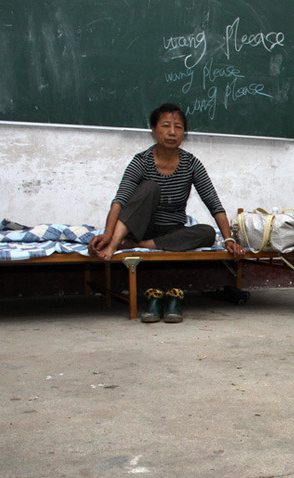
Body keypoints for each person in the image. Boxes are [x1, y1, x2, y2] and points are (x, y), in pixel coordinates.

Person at [88, 102, 245, 322]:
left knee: (208, 233)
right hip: (142, 227)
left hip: (172, 233)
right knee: (151, 187)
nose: (172, 132)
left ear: (184, 132)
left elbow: (214, 203)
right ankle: (118, 243)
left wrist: (228, 238)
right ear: (153, 129)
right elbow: (120, 201)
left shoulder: (191, 163)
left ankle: (139, 246)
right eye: (166, 125)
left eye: (178, 127)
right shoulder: (141, 161)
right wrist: (108, 235)